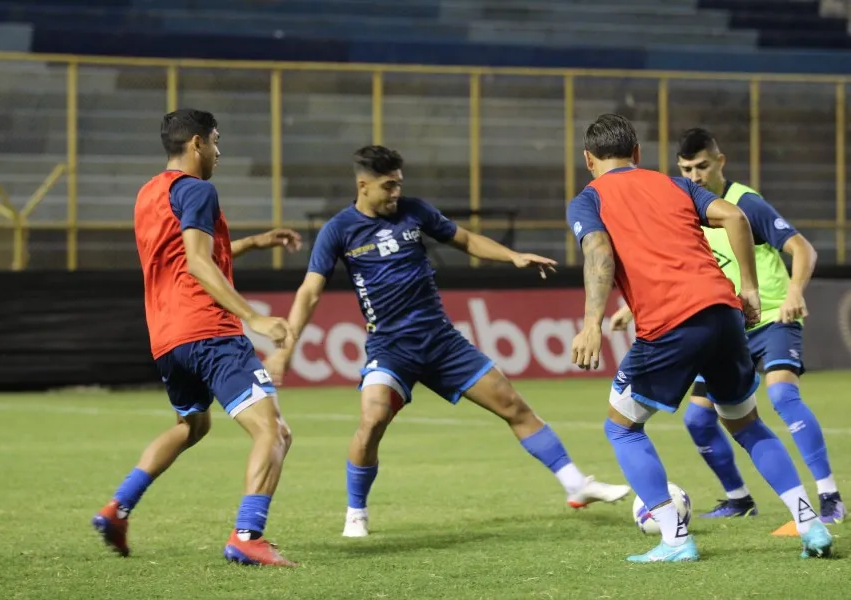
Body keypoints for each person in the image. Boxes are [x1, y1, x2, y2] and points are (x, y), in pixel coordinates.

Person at [265, 144, 630, 539]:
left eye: (399, 185)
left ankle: (575, 483)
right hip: (390, 349)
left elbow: (468, 240)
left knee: (513, 405)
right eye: (388, 186)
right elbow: (309, 292)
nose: (396, 194)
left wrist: (513, 257)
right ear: (363, 185)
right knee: (371, 422)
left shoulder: (415, 212)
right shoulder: (339, 230)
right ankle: (356, 512)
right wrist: (286, 350)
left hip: (441, 343)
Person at [567, 113, 833, 562]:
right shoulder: (675, 184)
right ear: (637, 154)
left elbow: (598, 252)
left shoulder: (588, 200)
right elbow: (734, 217)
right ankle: (811, 524)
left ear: (588, 159)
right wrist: (748, 288)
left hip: (671, 323)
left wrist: (591, 322)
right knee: (747, 423)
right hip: (725, 315)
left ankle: (674, 538)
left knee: (622, 427)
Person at [92, 109, 302, 567]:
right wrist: (253, 317)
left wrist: (253, 242)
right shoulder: (200, 189)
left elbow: (183, 253)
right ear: (196, 144)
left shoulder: (149, 194)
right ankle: (247, 535)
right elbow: (197, 263)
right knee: (275, 432)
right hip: (209, 330)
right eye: (216, 141)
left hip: (168, 338)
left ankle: (117, 508)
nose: (219, 152)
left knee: (193, 424)